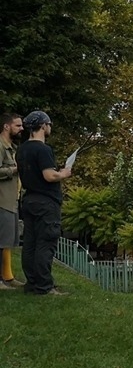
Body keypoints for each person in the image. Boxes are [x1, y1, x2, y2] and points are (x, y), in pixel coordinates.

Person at [17, 111, 71, 295]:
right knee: (45, 243)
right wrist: (63, 173)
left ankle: (31, 284)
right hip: (46, 203)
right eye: (49, 124)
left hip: (29, 200)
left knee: (30, 244)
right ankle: (44, 286)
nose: (50, 127)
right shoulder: (43, 149)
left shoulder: (22, 149)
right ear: (43, 126)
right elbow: (49, 176)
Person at [0, 113, 24, 290]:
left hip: (12, 199)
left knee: (8, 241)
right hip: (2, 200)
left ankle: (7, 277)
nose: (21, 129)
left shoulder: (12, 147)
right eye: (18, 125)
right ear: (6, 126)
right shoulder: (0, 146)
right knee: (1, 241)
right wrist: (15, 169)